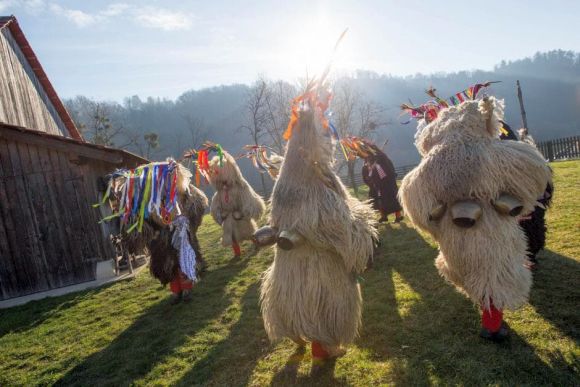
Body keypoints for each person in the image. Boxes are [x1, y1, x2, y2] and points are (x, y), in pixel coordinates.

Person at [400, 97, 552, 342]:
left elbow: (415, 205)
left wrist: (437, 229)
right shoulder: (495, 152)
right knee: (492, 276)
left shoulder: (427, 166)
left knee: (473, 273)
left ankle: (489, 317)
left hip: (453, 233)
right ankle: (492, 327)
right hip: (489, 231)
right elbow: (535, 171)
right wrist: (513, 201)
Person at [361, 145, 403, 223]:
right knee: (378, 201)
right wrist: (370, 181)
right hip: (375, 185)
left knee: (393, 199)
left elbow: (390, 170)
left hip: (387, 184)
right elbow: (366, 175)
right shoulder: (366, 164)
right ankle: (383, 216)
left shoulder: (383, 160)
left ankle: (398, 216)